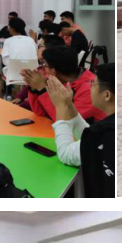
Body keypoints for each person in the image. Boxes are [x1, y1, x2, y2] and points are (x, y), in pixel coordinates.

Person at [47, 63, 115, 197]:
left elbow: (65, 153)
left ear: (106, 95)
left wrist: (60, 107)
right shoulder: (107, 127)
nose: (90, 87)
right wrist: (68, 104)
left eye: (93, 84)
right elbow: (89, 138)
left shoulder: (105, 133)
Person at [22, 45, 106, 124]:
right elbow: (41, 113)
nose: (42, 69)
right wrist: (34, 88)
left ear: (54, 71)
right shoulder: (64, 79)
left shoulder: (90, 89)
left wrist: (42, 88)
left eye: (45, 65)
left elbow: (64, 121)